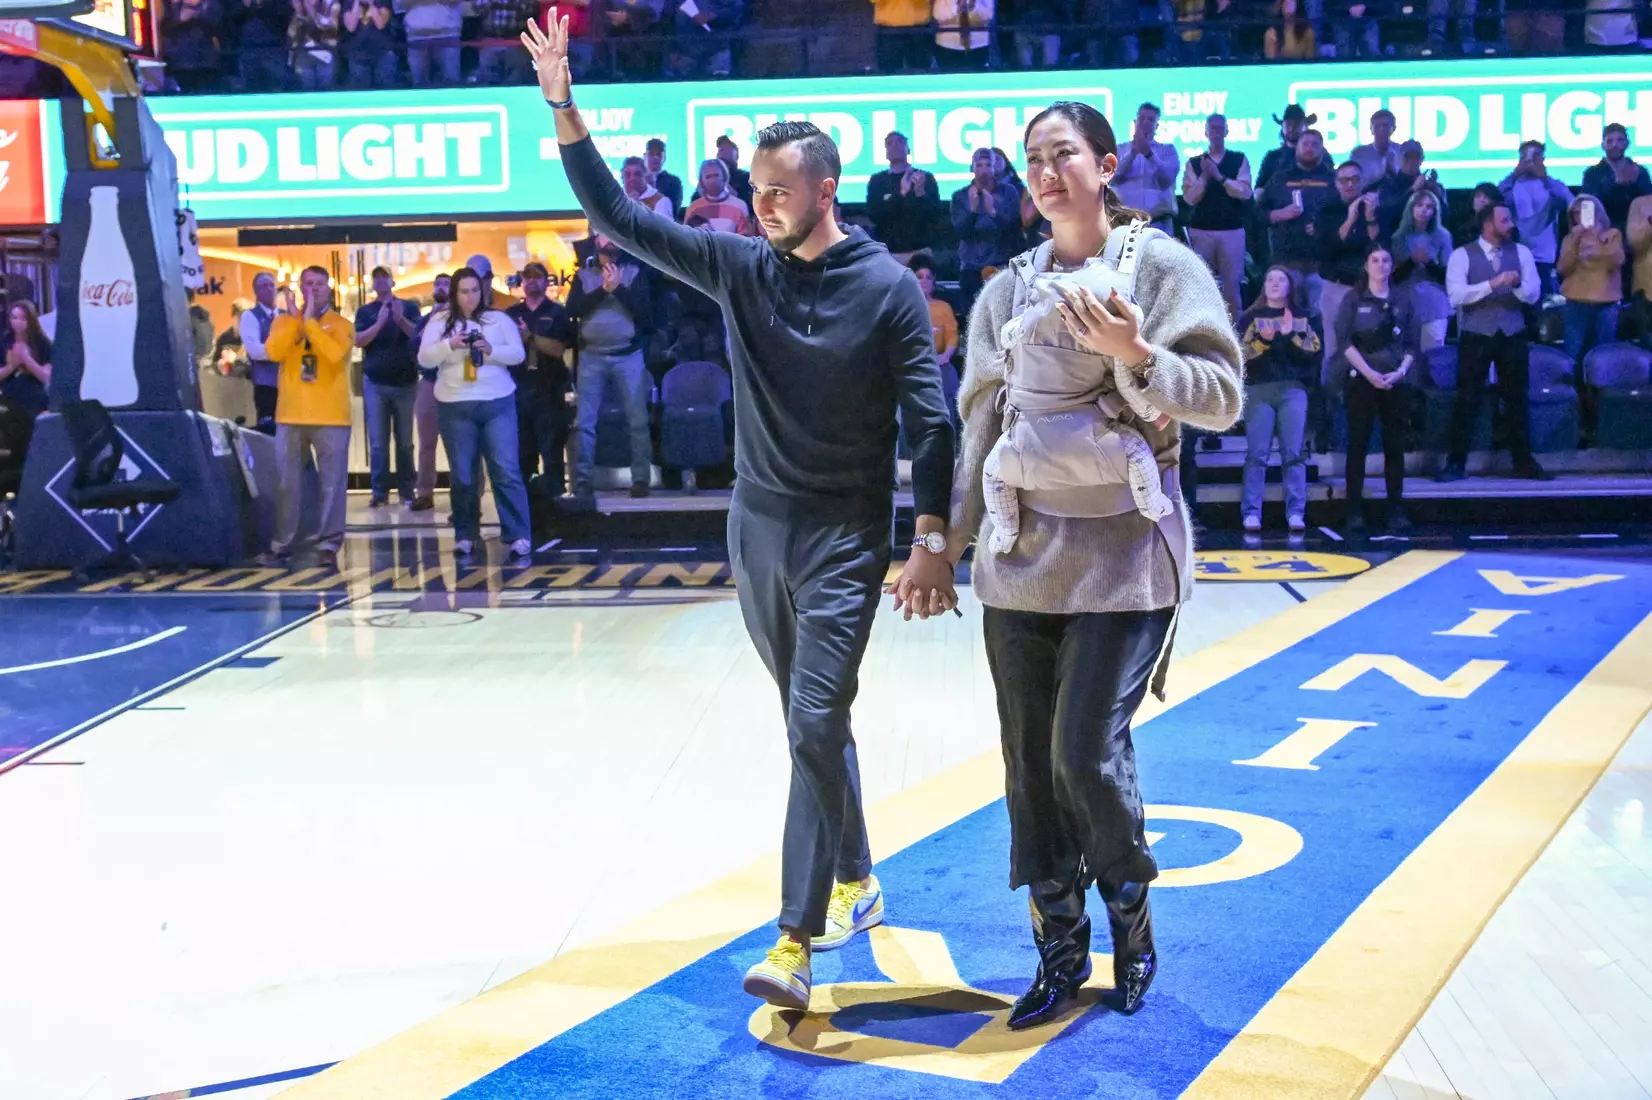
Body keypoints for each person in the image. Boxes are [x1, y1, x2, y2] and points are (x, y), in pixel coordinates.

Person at [524, 11, 956, 1013]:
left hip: (846, 535)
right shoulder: (738, 265)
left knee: (813, 715)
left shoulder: (888, 289)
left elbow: (929, 424)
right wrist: (562, 105)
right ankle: (857, 875)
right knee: (813, 724)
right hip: (756, 527)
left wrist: (930, 539)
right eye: (754, 190)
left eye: (778, 192)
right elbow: (618, 217)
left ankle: (795, 940)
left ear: (825, 190)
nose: (760, 207)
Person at [949, 99, 1242, 1030]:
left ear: (1107, 166)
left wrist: (1137, 354)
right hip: (1020, 565)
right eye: (1033, 158)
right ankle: (1058, 951)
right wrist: (941, 542)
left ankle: (1132, 928)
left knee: (1084, 753)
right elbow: (978, 427)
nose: (1046, 172)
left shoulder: (1162, 269)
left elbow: (1223, 396)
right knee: (1030, 768)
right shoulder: (1005, 291)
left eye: (1064, 153)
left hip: (1125, 560)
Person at [417, 266, 533, 559]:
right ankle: (466, 534)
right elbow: (425, 358)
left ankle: (518, 534)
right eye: (464, 291)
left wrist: (490, 349)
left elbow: (518, 354)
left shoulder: (498, 319)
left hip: (497, 402)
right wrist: (450, 345)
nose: (470, 297)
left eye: (474, 291)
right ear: (454, 294)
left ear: (482, 292)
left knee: (505, 469)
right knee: (463, 474)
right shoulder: (439, 321)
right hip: (454, 404)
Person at [257, 266, 355, 570]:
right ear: (300, 289)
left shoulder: (341, 324)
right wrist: (294, 321)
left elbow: (334, 355)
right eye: (307, 283)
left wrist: (310, 323)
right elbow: (273, 351)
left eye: (319, 283)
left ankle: (328, 545)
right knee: (287, 483)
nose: (313, 289)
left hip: (331, 416)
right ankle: (282, 543)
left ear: (329, 288)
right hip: (290, 414)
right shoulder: (284, 321)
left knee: (332, 485)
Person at [1442, 204, 1550, 482]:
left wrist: (1516, 286)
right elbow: (1456, 296)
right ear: (1488, 224)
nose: (1511, 224)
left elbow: (1533, 294)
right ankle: (1455, 462)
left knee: (1517, 399)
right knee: (1467, 399)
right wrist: (1492, 284)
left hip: (1513, 333)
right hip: (1476, 334)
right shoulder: (1461, 255)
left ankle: (1523, 461)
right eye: (1505, 220)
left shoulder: (1522, 252)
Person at [564, 235, 659, 500]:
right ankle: (583, 481)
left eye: (612, 237)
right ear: (596, 243)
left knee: (637, 420)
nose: (609, 245)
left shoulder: (634, 271)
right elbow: (572, 309)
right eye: (604, 237)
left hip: (628, 355)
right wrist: (603, 291)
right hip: (591, 356)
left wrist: (618, 289)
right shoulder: (583, 275)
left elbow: (645, 311)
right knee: (585, 423)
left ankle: (640, 479)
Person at [1337, 243, 1418, 533]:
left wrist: (1400, 372)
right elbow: (1344, 342)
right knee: (1358, 445)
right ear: (1366, 265)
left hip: (1395, 381)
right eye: (1375, 260)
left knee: (1394, 446)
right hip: (1362, 379)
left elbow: (1412, 344)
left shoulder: (1403, 299)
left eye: (1385, 260)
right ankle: (1354, 511)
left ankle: (1396, 509)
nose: (1381, 265)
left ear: (1392, 266)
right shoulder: (1353, 299)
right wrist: (1370, 374)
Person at [1237, 267, 1321, 531]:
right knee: (1257, 454)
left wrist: (1290, 335)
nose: (1274, 283)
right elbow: (1240, 355)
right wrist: (1264, 340)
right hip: (1259, 390)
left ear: (1290, 286)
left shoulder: (1303, 317)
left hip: (1293, 391)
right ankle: (1251, 512)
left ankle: (1296, 512)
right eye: (1270, 279)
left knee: (1293, 454)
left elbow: (1314, 353)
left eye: (1281, 279)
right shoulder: (1249, 318)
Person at [355, 265, 423, 507]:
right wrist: (380, 322)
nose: (381, 282)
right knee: (378, 442)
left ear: (393, 282)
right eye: (377, 278)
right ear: (373, 284)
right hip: (375, 383)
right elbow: (359, 341)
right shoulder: (365, 311)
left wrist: (399, 319)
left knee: (405, 442)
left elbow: (419, 336)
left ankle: (407, 491)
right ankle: (379, 493)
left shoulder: (410, 307)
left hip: (406, 383)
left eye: (385, 277)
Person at [1558, 194, 1624, 440]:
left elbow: (1618, 261)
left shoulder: (1612, 235)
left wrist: (1600, 242)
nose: (1579, 216)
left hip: (1606, 305)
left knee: (1604, 361)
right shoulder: (1570, 239)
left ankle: (1602, 419)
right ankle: (1575, 418)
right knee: (1573, 359)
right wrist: (1576, 243)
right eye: (1575, 213)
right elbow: (1562, 268)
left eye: (1584, 210)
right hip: (1576, 304)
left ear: (1598, 211)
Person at [506, 262, 572, 500]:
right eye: (527, 277)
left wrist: (530, 337)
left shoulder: (557, 312)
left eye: (537, 276)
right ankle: (527, 506)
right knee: (523, 454)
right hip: (518, 390)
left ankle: (556, 502)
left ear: (546, 282)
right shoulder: (511, 314)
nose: (531, 281)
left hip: (549, 390)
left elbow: (559, 349)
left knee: (552, 452)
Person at [1258, 128, 1336, 319]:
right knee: (1288, 319)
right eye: (1305, 144)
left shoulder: (1333, 179)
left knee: (1322, 320)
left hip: (1323, 265)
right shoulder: (1279, 179)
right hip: (1287, 262)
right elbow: (1258, 214)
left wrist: (1323, 227)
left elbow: (1342, 215)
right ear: (1297, 148)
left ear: (1323, 149)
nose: (1309, 148)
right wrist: (1279, 214)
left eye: (1315, 145)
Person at [1181, 113, 1252, 320]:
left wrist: (1220, 177)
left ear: (1227, 131)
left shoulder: (1239, 159)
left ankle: (1235, 331)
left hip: (1232, 231)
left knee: (1232, 287)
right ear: (1205, 133)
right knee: (1200, 285)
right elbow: (1189, 198)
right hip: (1201, 231)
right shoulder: (1194, 163)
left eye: (1220, 128)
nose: (1216, 132)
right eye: (1212, 128)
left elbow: (1245, 192)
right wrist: (1205, 176)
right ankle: (1202, 328)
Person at [1317, 161, 1381, 382]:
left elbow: (1379, 247)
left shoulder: (1375, 208)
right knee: (1334, 345)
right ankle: (1331, 393)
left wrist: (1370, 217)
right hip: (1335, 285)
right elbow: (1327, 249)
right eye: (1344, 180)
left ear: (1363, 181)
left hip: (1367, 288)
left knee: (1368, 343)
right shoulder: (1326, 210)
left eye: (1354, 179)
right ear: (1336, 183)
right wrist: (1350, 219)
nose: (1350, 184)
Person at [951, 148, 1025, 312]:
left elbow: (1015, 228)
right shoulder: (960, 196)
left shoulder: (1009, 192)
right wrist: (973, 211)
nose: (984, 170)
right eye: (979, 165)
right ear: (972, 168)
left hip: (1002, 263)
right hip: (971, 267)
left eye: (988, 165)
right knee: (972, 315)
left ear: (994, 168)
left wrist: (993, 213)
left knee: (1004, 314)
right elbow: (961, 233)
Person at [1500, 141, 1573, 297]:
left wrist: (1545, 178)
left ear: (1543, 159)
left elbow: (1571, 202)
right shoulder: (1512, 187)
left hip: (1546, 258)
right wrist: (1514, 174)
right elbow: (1495, 201)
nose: (1529, 161)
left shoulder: (1552, 186)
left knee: (1545, 302)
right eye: (1525, 157)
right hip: (1518, 257)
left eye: (1535, 156)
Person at [1391, 188, 1454, 350]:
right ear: (1411, 208)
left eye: (1429, 207)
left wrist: (1429, 263)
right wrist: (1412, 261)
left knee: (1433, 351)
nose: (1423, 210)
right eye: (1419, 205)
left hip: (1434, 301)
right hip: (1405, 299)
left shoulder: (1443, 236)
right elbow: (1393, 277)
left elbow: (1449, 276)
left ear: (1434, 212)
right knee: (1405, 351)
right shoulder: (1398, 237)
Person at [865, 132, 941, 261]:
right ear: (886, 152)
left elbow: (934, 216)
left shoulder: (925, 178)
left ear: (908, 149)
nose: (895, 145)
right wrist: (901, 194)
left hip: (920, 250)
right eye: (890, 143)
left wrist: (920, 193)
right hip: (888, 251)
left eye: (900, 141)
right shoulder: (877, 181)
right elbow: (875, 215)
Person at [411, 272, 450, 512]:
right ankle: (424, 493)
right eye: (438, 284)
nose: (441, 287)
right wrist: (430, 323)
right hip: (428, 381)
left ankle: (467, 497)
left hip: (454, 383)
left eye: (446, 284)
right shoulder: (426, 319)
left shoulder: (460, 318)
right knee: (426, 443)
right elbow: (413, 347)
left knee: (459, 444)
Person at [1111, 102, 1179, 236]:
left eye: (1151, 120)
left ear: (1157, 126)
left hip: (1159, 224)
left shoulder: (1168, 151)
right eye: (1142, 119)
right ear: (1135, 122)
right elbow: (1113, 177)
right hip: (1125, 224)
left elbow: (1167, 179)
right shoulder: (1120, 149)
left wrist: (1149, 154)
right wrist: (1132, 153)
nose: (1145, 123)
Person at [1581, 122, 1652, 236]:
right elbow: (1587, 214)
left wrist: (1634, 185)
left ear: (1627, 143)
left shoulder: (1640, 171)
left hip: (1638, 235)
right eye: (1610, 141)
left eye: (1620, 140)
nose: (1615, 145)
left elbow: (1649, 204)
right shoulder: (1592, 174)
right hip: (1603, 236)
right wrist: (1616, 185)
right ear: (1603, 145)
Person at [0, 301, 52, 452]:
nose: (18, 322)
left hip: (36, 400)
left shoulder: (43, 343)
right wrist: (12, 365)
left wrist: (27, 360)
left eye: (23, 318)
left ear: (31, 319)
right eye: (14, 317)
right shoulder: (4, 341)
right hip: (10, 400)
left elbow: (46, 377)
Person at [239, 271, 282, 432]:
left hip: (289, 385)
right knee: (268, 432)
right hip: (266, 386)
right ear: (256, 291)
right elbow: (255, 351)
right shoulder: (250, 316)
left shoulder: (286, 316)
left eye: (271, 285)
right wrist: (281, 351)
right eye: (264, 286)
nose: (269, 289)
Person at [909, 254, 958, 374]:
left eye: (928, 277)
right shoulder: (902, 307)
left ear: (933, 282)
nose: (925, 281)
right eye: (920, 277)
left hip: (938, 363)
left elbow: (952, 336)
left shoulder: (944, 307)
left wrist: (945, 356)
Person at [683, 158, 754, 235]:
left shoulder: (739, 206)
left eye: (716, 175)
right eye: (708, 177)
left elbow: (746, 237)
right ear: (701, 181)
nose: (713, 180)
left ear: (724, 177)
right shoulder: (693, 208)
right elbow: (687, 237)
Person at [644, 137, 683, 217]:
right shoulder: (637, 179)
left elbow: (674, 209)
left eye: (659, 154)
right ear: (645, 156)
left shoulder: (674, 181)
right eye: (651, 154)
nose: (655, 158)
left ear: (664, 158)